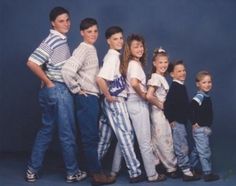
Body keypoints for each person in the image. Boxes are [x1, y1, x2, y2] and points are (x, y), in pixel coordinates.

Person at [25, 7, 86, 183]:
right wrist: (50, 82)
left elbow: (48, 63)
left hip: (50, 91)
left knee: (46, 130)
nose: (66, 23)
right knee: (67, 133)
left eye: (67, 19)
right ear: (53, 23)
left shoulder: (59, 40)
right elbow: (31, 62)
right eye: (61, 20)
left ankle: (32, 170)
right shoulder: (52, 40)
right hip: (58, 90)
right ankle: (72, 172)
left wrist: (46, 79)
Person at [61, 18, 115, 186]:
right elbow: (67, 71)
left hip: (91, 98)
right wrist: (77, 89)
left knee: (89, 135)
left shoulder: (90, 49)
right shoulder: (84, 48)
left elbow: (82, 73)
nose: (93, 34)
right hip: (87, 99)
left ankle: (89, 169)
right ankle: (97, 175)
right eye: (89, 31)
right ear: (81, 33)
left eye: (95, 31)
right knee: (90, 137)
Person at [96, 27, 144, 183]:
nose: (119, 41)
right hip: (115, 101)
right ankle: (135, 172)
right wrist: (109, 96)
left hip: (110, 102)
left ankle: (93, 167)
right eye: (115, 38)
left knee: (105, 137)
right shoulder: (113, 57)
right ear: (108, 41)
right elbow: (100, 79)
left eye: (121, 38)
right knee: (126, 133)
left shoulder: (116, 56)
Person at [121, 34, 166, 182]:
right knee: (145, 142)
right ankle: (152, 175)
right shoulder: (134, 64)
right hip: (137, 103)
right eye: (136, 46)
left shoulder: (132, 63)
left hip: (131, 103)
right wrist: (143, 95)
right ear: (129, 49)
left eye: (141, 46)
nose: (140, 49)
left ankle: (114, 171)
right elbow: (134, 83)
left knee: (128, 139)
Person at [163, 60, 201, 181]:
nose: (183, 72)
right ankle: (186, 171)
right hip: (177, 122)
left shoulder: (181, 86)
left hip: (182, 121)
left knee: (183, 144)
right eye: (179, 71)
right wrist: (171, 119)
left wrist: (193, 120)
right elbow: (167, 105)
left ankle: (186, 168)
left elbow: (186, 106)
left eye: (184, 70)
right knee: (181, 146)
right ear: (172, 74)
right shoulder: (175, 87)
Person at [146, 48, 178, 178]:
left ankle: (158, 164)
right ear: (154, 63)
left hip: (161, 114)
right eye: (160, 62)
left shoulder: (161, 77)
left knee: (160, 139)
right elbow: (149, 96)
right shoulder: (156, 77)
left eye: (165, 62)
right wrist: (162, 106)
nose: (164, 65)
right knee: (164, 140)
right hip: (159, 114)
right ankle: (171, 167)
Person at [190, 71, 220, 182]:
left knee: (197, 150)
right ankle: (207, 173)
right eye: (204, 82)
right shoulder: (200, 96)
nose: (207, 84)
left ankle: (189, 168)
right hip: (200, 129)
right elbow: (191, 108)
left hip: (203, 128)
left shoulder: (206, 96)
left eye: (209, 82)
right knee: (204, 151)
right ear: (198, 84)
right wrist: (194, 122)